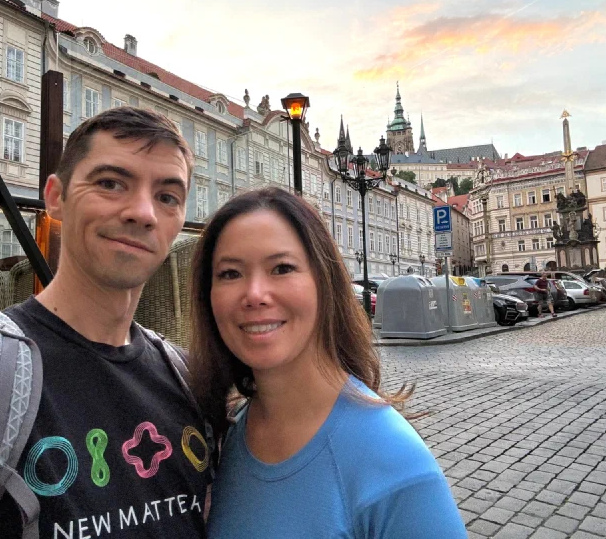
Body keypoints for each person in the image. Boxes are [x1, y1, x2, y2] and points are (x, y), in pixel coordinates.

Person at [0, 108, 210, 537]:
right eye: (110, 183)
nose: (143, 212)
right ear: (55, 197)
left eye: (167, 197)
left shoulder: (190, 381)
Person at [189, 187, 467, 538]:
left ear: (325, 283)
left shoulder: (394, 462)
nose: (254, 294)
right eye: (230, 273)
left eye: (282, 268)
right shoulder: (223, 438)